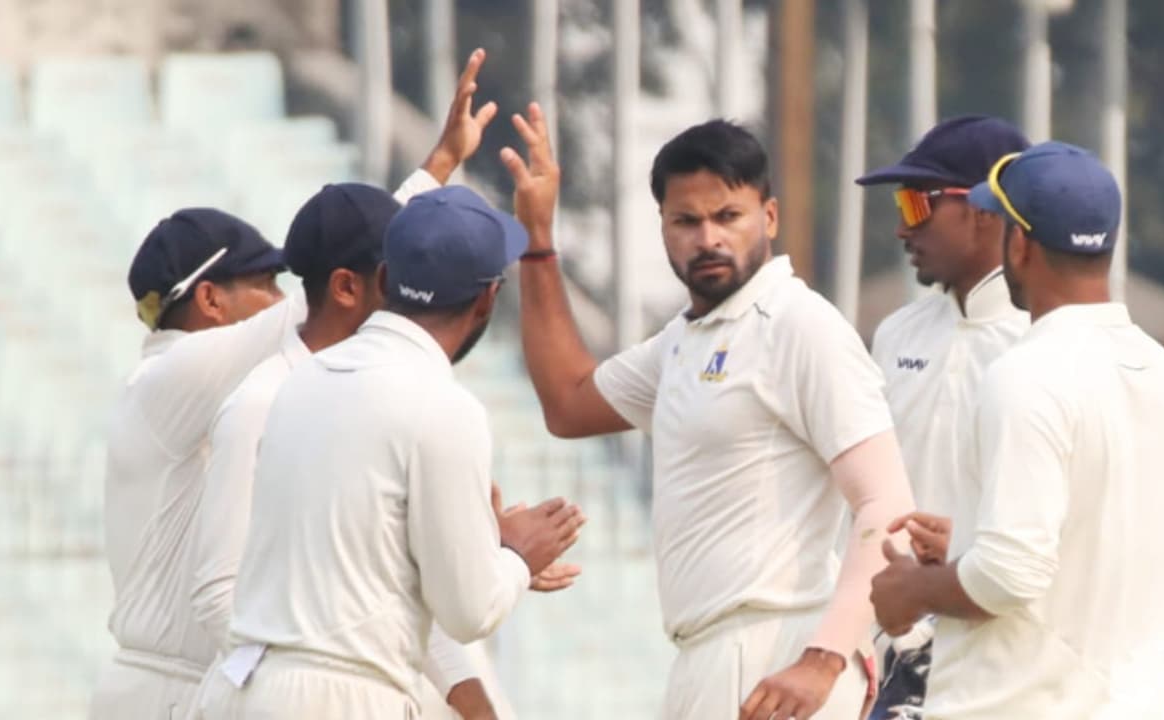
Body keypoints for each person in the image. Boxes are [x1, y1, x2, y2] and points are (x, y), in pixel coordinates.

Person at [91, 47, 500, 720]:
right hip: (170, 692)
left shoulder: (292, 396)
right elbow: (317, 303)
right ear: (209, 300)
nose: (281, 298)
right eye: (265, 283)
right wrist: (433, 172)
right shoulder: (165, 380)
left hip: (218, 685)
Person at [499, 104, 915, 719]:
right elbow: (568, 402)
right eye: (686, 221)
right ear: (663, 227)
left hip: (779, 651)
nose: (708, 238)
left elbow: (887, 504)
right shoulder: (683, 341)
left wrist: (824, 657)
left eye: (728, 216)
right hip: (707, 655)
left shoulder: (798, 325)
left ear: (768, 217)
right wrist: (537, 239)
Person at [193, 184, 584, 719]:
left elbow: (362, 555)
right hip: (342, 699)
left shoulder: (301, 379)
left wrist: (481, 543)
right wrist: (516, 556)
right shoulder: (446, 407)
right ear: (487, 299)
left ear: (383, 280)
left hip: (243, 691)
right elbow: (469, 611)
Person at [869, 141, 1164, 718]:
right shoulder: (1163, 374)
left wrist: (910, 590)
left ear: (1020, 245)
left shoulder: (1026, 374)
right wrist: (975, 544)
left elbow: (1010, 575)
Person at [854, 116, 1031, 718]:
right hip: (897, 648)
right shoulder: (897, 332)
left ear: (983, 209)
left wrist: (973, 549)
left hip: (1004, 653)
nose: (903, 227)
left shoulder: (1043, 341)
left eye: (917, 203)